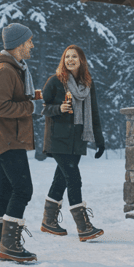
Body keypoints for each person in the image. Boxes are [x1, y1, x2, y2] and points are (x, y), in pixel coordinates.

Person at [0, 23, 44, 263]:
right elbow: (0, 106)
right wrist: (29, 106)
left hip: (7, 136)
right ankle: (10, 245)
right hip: (7, 138)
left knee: (6, 189)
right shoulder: (6, 71)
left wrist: (28, 99)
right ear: (18, 44)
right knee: (23, 189)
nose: (32, 45)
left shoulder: (13, 68)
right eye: (29, 41)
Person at [38, 45, 105, 242]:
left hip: (77, 141)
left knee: (61, 180)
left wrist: (99, 141)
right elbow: (42, 107)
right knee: (74, 180)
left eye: (74, 56)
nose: (70, 59)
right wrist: (58, 108)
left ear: (81, 60)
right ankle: (83, 227)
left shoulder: (87, 84)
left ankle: (48, 221)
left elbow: (94, 113)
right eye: (67, 56)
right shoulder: (55, 81)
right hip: (58, 140)